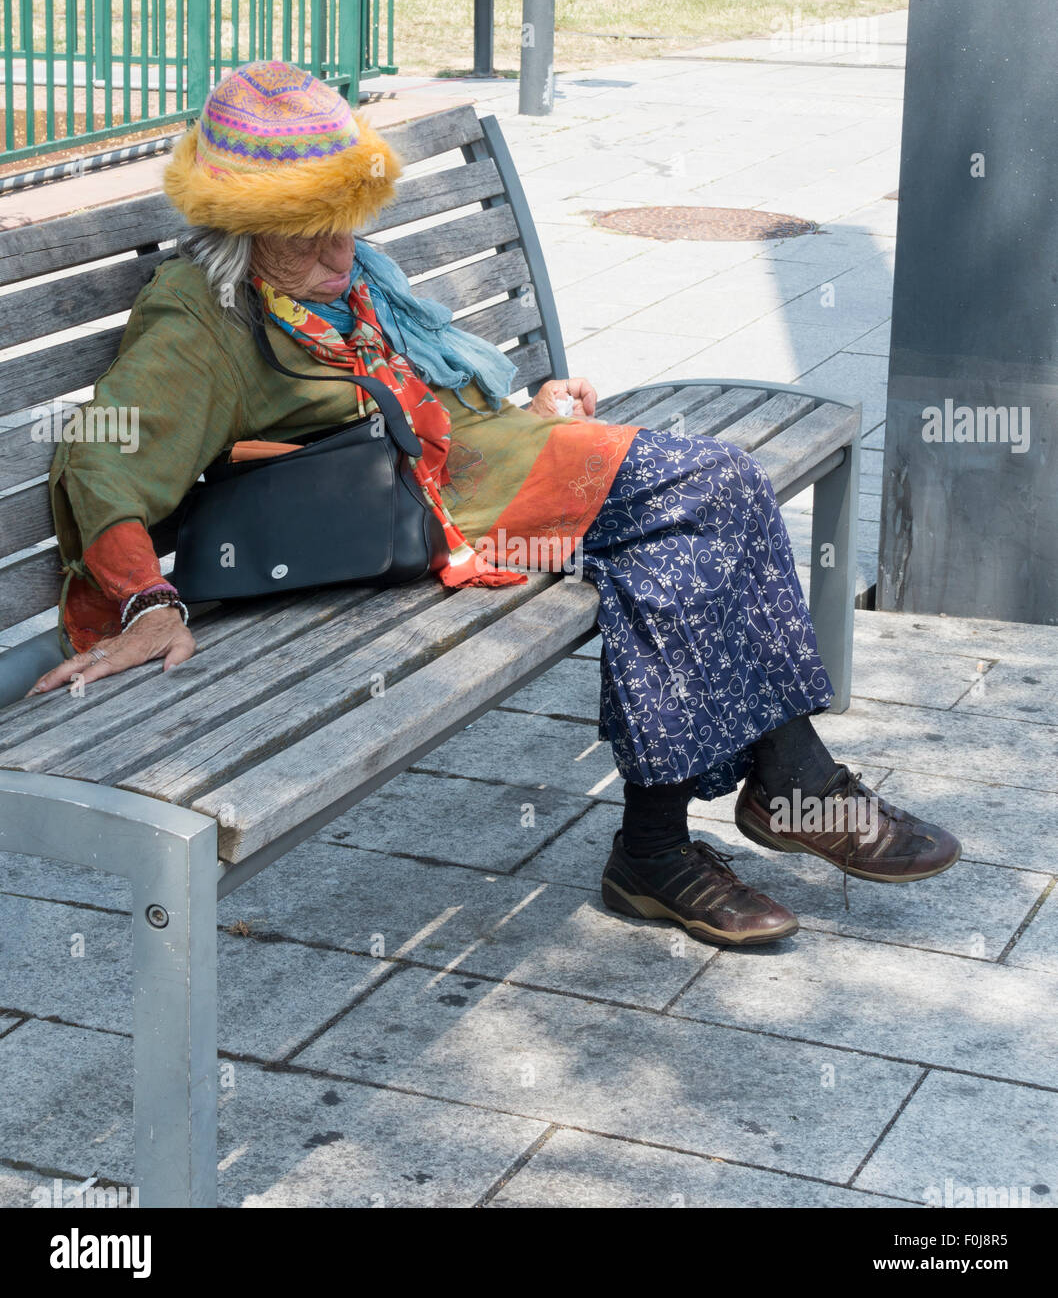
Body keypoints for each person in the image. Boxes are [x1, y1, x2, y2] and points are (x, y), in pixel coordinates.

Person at [17, 60, 960, 947]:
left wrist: (528, 409)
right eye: (308, 236)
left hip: (473, 467)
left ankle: (659, 853)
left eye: (345, 224)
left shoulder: (345, 278)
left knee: (678, 540)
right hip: (420, 511)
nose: (342, 255)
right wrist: (144, 600)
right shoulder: (201, 315)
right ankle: (780, 789)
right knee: (716, 484)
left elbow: (425, 386)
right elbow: (105, 460)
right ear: (241, 225)